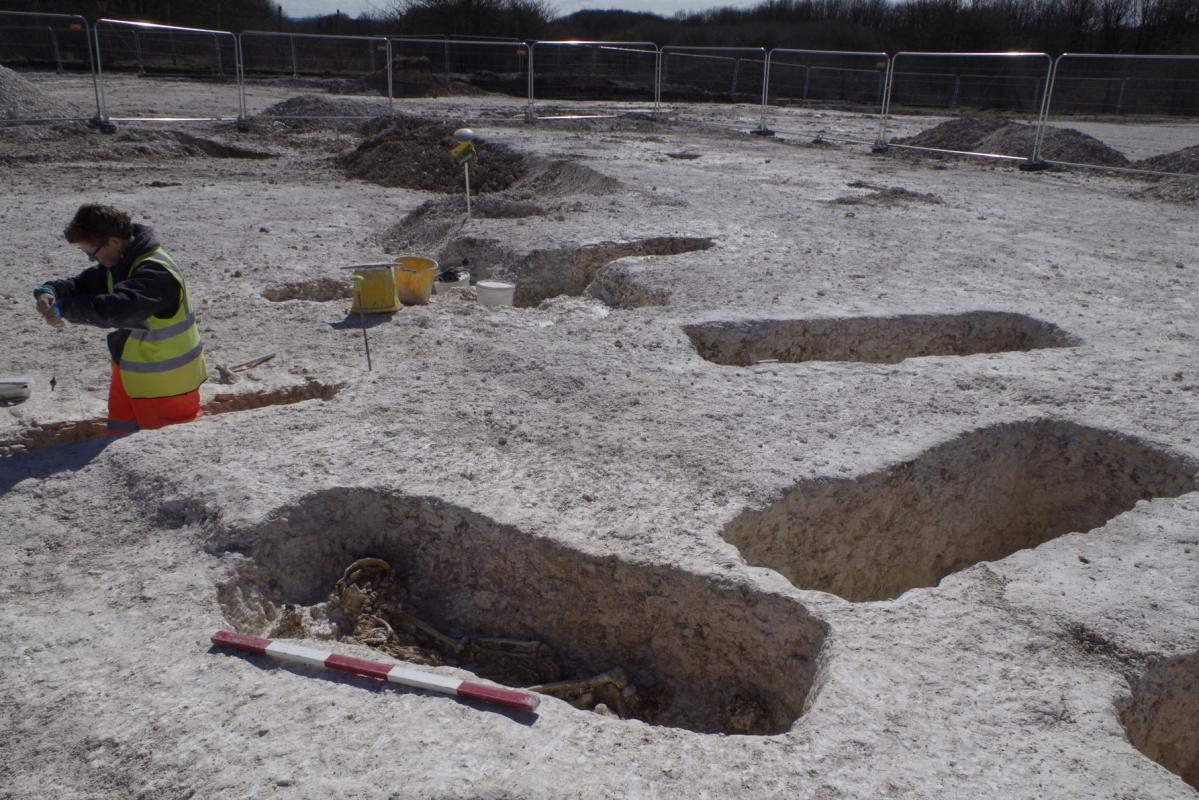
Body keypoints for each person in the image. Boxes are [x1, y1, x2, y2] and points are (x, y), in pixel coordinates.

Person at [34, 204, 207, 435]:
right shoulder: (120, 263)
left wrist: (64, 309)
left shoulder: (156, 273)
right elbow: (80, 284)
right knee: (120, 442)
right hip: (132, 375)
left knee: (168, 450)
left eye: (92, 253)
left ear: (113, 241)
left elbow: (113, 311)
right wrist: (50, 291)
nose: (90, 259)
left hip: (168, 386)